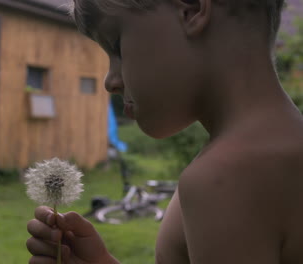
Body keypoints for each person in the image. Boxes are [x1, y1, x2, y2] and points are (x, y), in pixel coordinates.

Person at [26, 0, 303, 263]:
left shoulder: (227, 177)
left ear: (191, 9)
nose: (111, 81)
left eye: (117, 47)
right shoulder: (277, 149)